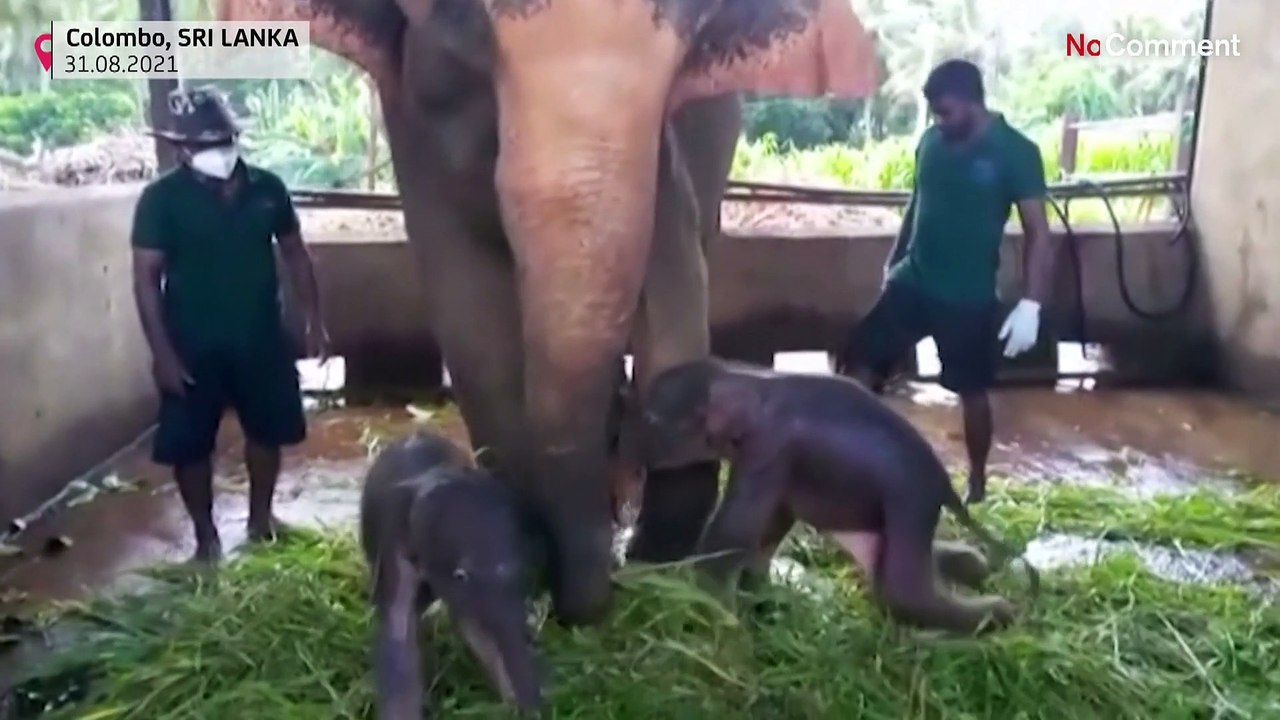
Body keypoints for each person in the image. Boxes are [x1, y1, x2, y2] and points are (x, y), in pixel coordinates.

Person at [836, 59, 1055, 505]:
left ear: (975, 103)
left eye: (947, 112)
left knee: (971, 391)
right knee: (856, 363)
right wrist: (892, 263)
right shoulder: (930, 143)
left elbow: (1039, 232)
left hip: (967, 296)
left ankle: (976, 481)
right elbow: (917, 206)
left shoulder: (1016, 151)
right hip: (912, 281)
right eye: (935, 113)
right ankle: (853, 467)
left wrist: (1032, 303)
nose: (940, 122)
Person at [130, 85, 329, 562]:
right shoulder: (161, 200)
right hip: (191, 343)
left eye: (221, 140)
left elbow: (297, 256)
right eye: (201, 145)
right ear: (181, 149)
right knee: (190, 444)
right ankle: (205, 536)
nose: (214, 152)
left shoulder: (268, 188)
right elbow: (145, 279)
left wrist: (313, 320)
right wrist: (163, 355)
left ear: (235, 138)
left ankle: (261, 519)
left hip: (260, 335)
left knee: (268, 430)